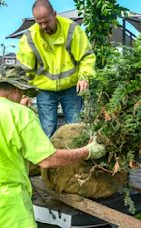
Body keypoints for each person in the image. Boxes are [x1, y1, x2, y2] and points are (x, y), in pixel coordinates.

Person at [0, 65, 105, 227]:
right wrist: (87, 152)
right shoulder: (21, 114)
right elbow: (48, 160)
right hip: (9, 216)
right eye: (23, 93)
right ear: (17, 89)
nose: (23, 98)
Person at [17, 0, 96, 138]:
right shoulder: (29, 37)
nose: (43, 26)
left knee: (76, 127)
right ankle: (49, 159)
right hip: (44, 90)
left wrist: (84, 77)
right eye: (39, 22)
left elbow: (86, 56)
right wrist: (24, 94)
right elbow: (24, 70)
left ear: (54, 14)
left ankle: (76, 158)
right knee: (47, 129)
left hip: (71, 87)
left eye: (47, 21)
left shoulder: (72, 30)